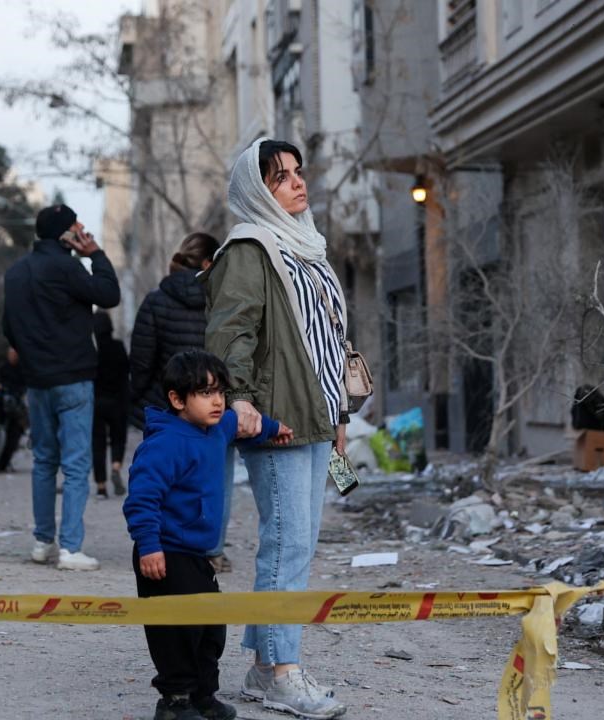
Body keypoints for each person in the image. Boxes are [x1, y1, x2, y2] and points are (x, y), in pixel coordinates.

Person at [205, 138, 350, 719]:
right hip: (277, 416)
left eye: (297, 172)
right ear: (256, 191)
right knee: (286, 543)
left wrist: (339, 416)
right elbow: (230, 334)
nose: (296, 182)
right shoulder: (249, 248)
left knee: (298, 543)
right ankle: (281, 671)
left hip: (316, 414)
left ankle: (266, 666)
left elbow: (326, 340)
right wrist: (239, 402)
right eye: (280, 176)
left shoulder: (306, 246)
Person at [125, 349, 292, 720]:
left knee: (211, 628)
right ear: (177, 400)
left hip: (198, 554)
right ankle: (174, 702)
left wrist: (273, 429)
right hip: (165, 553)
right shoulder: (165, 444)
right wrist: (149, 546)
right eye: (204, 393)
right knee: (177, 632)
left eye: (220, 392)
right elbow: (142, 498)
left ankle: (203, 696)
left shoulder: (217, 428)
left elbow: (241, 423)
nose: (217, 401)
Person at [2, 204, 120, 571]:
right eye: (76, 225)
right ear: (64, 233)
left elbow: (9, 327)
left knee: (43, 461)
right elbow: (109, 294)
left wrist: (31, 356)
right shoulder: (67, 267)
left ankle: (42, 542)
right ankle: (70, 548)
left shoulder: (16, 272)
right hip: (73, 379)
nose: (82, 229)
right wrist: (95, 254)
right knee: (76, 464)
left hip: (37, 382)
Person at [130, 232, 233, 569]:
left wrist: (138, 398)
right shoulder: (220, 302)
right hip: (213, 406)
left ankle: (166, 540)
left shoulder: (156, 301)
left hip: (167, 404)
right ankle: (211, 548)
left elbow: (142, 359)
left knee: (163, 477)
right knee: (214, 477)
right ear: (208, 263)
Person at [93, 311, 130, 498]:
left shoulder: (92, 350)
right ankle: (116, 466)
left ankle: (101, 486)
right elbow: (126, 372)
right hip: (117, 401)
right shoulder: (118, 347)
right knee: (118, 437)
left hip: (96, 402)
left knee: (97, 443)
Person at [0, 347, 28, 473]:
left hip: (15, 408)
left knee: (14, 434)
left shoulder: (22, 370)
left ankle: (5, 461)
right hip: (1, 407)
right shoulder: (3, 368)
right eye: (11, 353)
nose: (13, 356)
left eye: (15, 354)